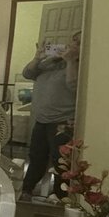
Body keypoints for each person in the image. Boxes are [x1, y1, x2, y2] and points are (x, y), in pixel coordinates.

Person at [20, 31, 81, 201]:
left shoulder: (80, 65)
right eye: (73, 41)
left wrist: (70, 61)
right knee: (36, 157)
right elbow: (28, 74)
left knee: (60, 161)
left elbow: (75, 87)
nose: (73, 45)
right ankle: (27, 190)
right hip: (41, 119)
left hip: (62, 121)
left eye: (78, 43)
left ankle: (60, 197)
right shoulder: (51, 62)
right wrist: (37, 58)